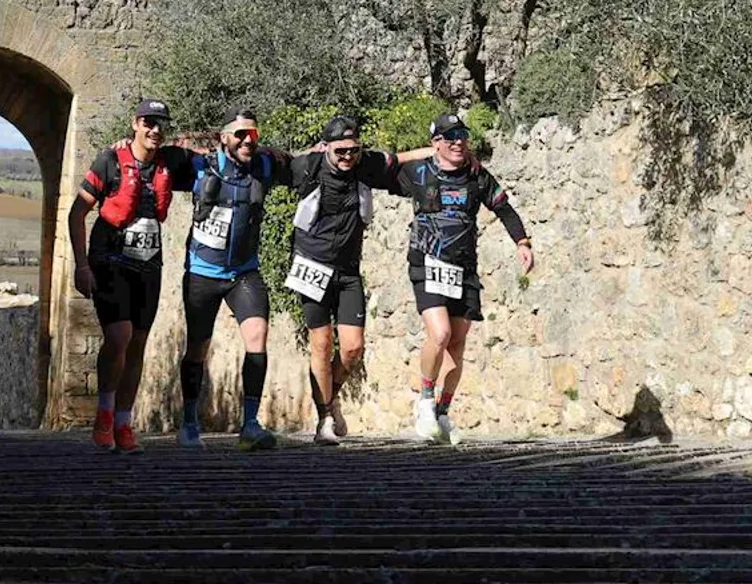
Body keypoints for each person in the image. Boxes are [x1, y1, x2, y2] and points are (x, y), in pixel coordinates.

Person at [283, 115, 429, 445]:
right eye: (341, 151)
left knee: (352, 349)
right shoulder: (308, 167)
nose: (348, 156)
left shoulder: (365, 165)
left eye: (354, 149)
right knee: (320, 344)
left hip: (348, 270)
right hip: (312, 265)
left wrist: (440, 150)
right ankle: (324, 420)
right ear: (326, 147)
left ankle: (329, 399)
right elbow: (276, 163)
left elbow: (400, 159)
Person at [67, 98, 201, 454]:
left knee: (138, 343)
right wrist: (81, 265)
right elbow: (77, 212)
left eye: (161, 124)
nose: (155, 130)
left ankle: (124, 424)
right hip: (109, 259)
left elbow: (211, 148)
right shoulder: (109, 160)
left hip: (148, 264)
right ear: (135, 123)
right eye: (148, 122)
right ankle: (105, 414)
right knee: (120, 335)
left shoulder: (169, 161)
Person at [398, 112, 535, 445]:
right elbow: (385, 163)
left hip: (464, 268)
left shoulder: (477, 176)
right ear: (435, 143)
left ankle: (443, 413)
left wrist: (522, 241)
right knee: (440, 334)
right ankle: (425, 401)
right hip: (427, 263)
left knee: (458, 343)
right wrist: (425, 153)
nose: (458, 142)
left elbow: (503, 208)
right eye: (449, 137)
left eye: (462, 135)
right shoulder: (418, 173)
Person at [176, 109, 289, 451]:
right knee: (198, 346)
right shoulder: (200, 167)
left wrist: (324, 151)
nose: (247, 141)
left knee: (257, 335)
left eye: (252, 134)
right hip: (202, 272)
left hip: (243, 271)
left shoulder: (265, 166)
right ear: (224, 138)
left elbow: (303, 166)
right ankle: (190, 421)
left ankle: (250, 424)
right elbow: (157, 159)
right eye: (239, 134)